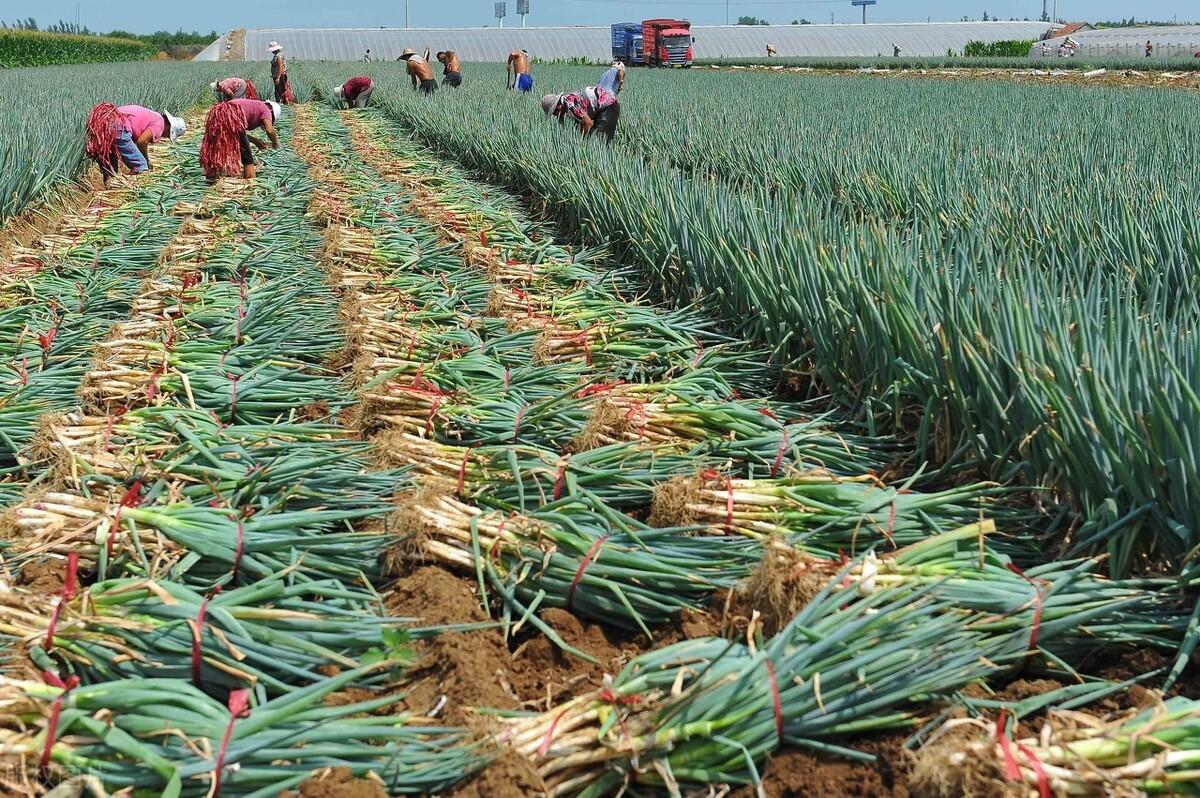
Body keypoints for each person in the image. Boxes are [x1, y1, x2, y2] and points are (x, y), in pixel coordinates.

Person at [84, 103, 186, 184]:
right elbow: (142, 141)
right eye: (169, 134)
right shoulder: (160, 124)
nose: (166, 137)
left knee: (111, 169)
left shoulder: (154, 116)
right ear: (169, 127)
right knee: (142, 167)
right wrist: (146, 160)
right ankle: (134, 196)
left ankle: (108, 192)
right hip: (118, 125)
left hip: (104, 122)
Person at [201, 99, 281, 182]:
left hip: (217, 113)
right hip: (231, 115)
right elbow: (270, 130)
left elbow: (239, 134)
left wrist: (256, 141)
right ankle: (250, 182)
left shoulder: (256, 105)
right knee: (247, 157)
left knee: (214, 150)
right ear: (272, 112)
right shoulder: (266, 109)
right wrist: (275, 143)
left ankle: (210, 180)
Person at [542, 87, 620, 143]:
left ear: (558, 106)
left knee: (602, 141)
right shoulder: (567, 101)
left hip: (608, 106)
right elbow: (583, 123)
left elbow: (588, 123)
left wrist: (582, 142)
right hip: (603, 106)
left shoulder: (570, 106)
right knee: (597, 139)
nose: (555, 115)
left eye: (553, 112)